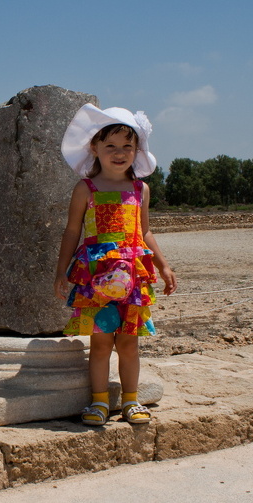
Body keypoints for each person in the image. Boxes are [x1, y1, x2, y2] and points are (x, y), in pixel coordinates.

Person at [54, 103, 177, 426]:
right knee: (100, 342)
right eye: (110, 146)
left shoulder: (140, 190)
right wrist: (61, 272)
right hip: (97, 279)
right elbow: (71, 232)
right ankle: (99, 403)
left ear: (137, 150)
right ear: (94, 148)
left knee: (129, 343)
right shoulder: (86, 189)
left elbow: (145, 231)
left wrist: (163, 266)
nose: (119, 152)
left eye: (127, 146)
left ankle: (131, 401)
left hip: (133, 277)